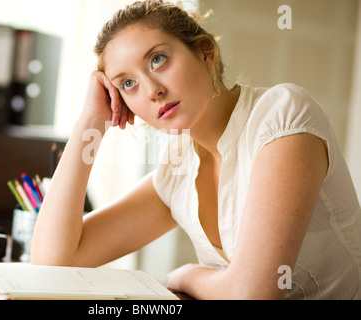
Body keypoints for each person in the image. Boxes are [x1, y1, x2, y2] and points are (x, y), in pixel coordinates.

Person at [31, 0, 361, 299]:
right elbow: (53, 261)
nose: (152, 91)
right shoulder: (178, 166)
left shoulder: (282, 114)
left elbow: (252, 295)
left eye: (157, 59)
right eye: (127, 83)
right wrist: (90, 121)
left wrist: (187, 275)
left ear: (206, 54)